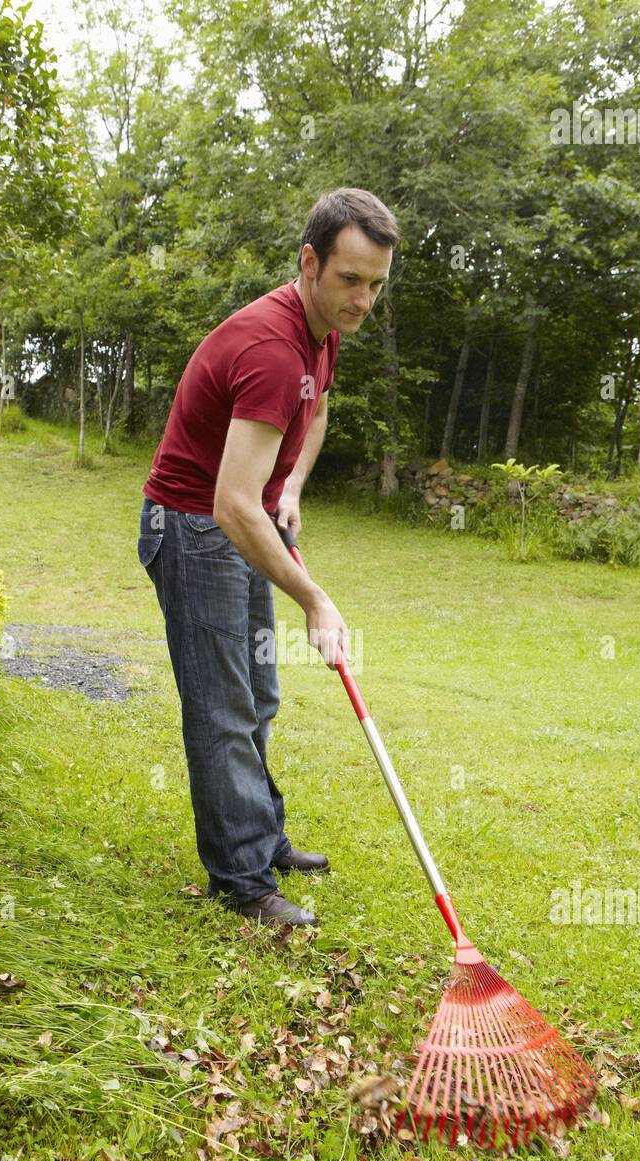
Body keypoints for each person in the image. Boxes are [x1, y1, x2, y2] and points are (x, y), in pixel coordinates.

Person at [137, 187, 399, 927]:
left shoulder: (324, 332)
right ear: (309, 262)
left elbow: (311, 418)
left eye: (376, 284)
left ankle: (261, 834)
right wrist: (314, 598)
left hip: (244, 516)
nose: (363, 300)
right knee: (223, 709)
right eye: (350, 280)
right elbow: (228, 504)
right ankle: (243, 880)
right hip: (193, 528)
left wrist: (291, 488)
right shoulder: (271, 349)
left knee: (260, 693)